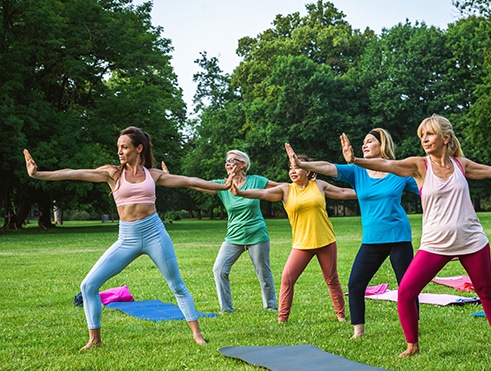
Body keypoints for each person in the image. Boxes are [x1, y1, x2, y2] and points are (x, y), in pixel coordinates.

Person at [341, 114, 491, 357]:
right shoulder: (419, 165)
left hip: (471, 241)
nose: (424, 139)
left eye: (429, 134)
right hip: (435, 244)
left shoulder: (460, 165)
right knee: (406, 292)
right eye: (421, 135)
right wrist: (356, 161)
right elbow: (388, 165)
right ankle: (412, 345)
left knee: (486, 290)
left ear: (445, 138)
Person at [24, 126, 233, 350]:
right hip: (127, 238)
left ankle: (197, 335)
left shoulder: (152, 175)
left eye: (124, 147)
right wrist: (39, 174)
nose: (120, 152)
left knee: (177, 285)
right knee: (88, 285)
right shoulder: (112, 174)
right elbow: (73, 173)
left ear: (139, 148)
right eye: (118, 148)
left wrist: (223, 186)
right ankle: (94, 339)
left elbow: (189, 181)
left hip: (155, 234)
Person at [285, 128, 420, 339]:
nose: (364, 145)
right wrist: (302, 164)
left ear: (382, 145)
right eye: (363, 142)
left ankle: (413, 326)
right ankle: (359, 331)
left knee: (407, 286)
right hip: (372, 240)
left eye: (369, 141)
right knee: (355, 284)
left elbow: (425, 189)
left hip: (399, 237)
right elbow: (328, 167)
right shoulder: (356, 171)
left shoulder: (398, 170)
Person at [230, 153, 357, 323]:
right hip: (301, 244)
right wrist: (240, 192)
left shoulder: (319, 185)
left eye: (297, 167)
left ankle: (341, 316)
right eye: (291, 168)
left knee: (332, 280)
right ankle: (282, 319)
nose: (293, 171)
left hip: (325, 240)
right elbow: (261, 193)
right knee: (287, 280)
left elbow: (343, 192)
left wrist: (370, 190)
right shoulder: (286, 190)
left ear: (308, 171)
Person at [163, 150, 278, 313]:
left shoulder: (256, 181)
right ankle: (227, 309)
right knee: (219, 269)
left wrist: (303, 181)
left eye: (232, 160)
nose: (227, 163)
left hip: (257, 234)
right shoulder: (221, 185)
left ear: (243, 164)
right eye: (226, 161)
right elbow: (194, 183)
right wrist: (170, 177)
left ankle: (271, 306)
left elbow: (283, 188)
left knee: (263, 273)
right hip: (233, 236)